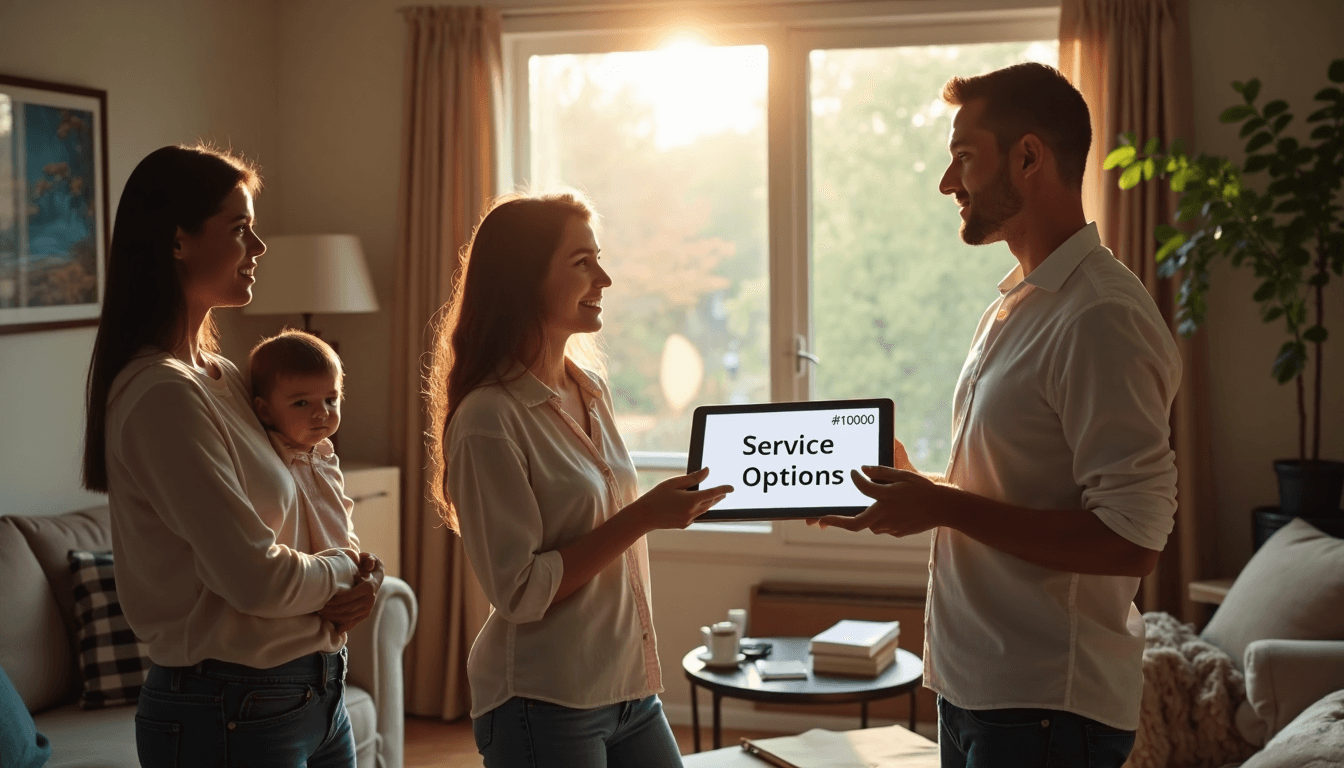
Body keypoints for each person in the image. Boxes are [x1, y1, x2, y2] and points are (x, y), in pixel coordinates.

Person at [812, 63, 1182, 767]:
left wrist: (942, 510)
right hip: (983, 689)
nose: (948, 184)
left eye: (963, 158)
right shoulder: (1020, 303)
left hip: (1044, 707)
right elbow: (1021, 492)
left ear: (1029, 156)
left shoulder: (1100, 315)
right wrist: (922, 491)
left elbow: (1133, 540)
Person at [83, 144, 381, 766]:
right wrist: (340, 573)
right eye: (240, 229)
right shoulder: (161, 394)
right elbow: (254, 577)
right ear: (177, 242)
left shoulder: (221, 376)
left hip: (312, 694)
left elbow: (297, 512)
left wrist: (363, 577)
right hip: (230, 708)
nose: (259, 247)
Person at [425, 191, 733, 767]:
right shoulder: (489, 419)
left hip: (629, 691)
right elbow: (518, 591)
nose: (605, 278)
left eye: (600, 258)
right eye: (582, 263)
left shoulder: (590, 387)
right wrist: (642, 518)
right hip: (542, 701)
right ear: (525, 280)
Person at [249, 328, 384, 637]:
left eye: (330, 399)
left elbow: (342, 520)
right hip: (301, 601)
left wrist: (362, 568)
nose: (321, 412)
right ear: (264, 410)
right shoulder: (268, 455)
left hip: (335, 606)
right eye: (301, 403)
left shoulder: (325, 456)